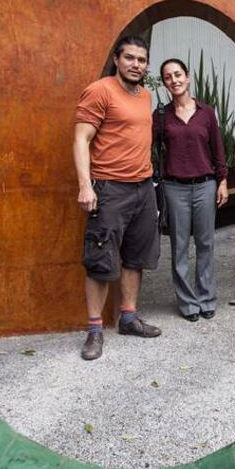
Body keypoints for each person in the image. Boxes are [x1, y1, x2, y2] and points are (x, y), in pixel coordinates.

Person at [73, 36, 162, 361]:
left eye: (141, 59)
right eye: (130, 58)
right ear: (117, 58)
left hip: (143, 188)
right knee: (100, 260)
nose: (136, 64)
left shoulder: (146, 95)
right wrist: (86, 185)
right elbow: (81, 139)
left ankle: (128, 317)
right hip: (109, 189)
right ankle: (95, 330)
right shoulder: (100, 91)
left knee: (135, 257)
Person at [153, 58, 228, 322]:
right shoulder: (161, 116)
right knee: (180, 246)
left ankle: (207, 298)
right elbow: (148, 148)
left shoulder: (206, 112)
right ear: (164, 83)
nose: (174, 80)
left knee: (206, 243)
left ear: (187, 77)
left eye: (177, 74)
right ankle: (188, 303)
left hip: (205, 186)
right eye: (167, 77)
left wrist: (222, 181)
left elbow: (218, 148)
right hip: (175, 188)